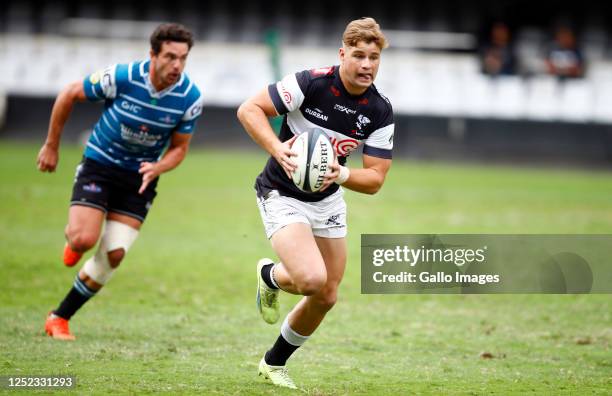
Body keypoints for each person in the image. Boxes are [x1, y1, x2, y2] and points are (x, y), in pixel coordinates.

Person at [237, 17, 394, 389]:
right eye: (358, 55)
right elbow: (249, 109)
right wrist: (278, 149)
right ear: (343, 54)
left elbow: (375, 180)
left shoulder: (379, 110)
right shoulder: (310, 83)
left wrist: (339, 175)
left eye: (374, 57)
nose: (367, 65)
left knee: (327, 294)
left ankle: (273, 364)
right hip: (281, 192)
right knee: (310, 279)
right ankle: (270, 275)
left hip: (327, 201)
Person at [37, 23, 204, 341]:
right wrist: (51, 145)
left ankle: (59, 317)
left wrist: (158, 168)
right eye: (170, 57)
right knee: (84, 240)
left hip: (139, 178)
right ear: (152, 54)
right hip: (100, 165)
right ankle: (76, 241)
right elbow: (70, 93)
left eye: (183, 58)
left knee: (114, 254)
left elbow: (180, 149)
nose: (177, 65)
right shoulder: (123, 77)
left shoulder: (189, 97)